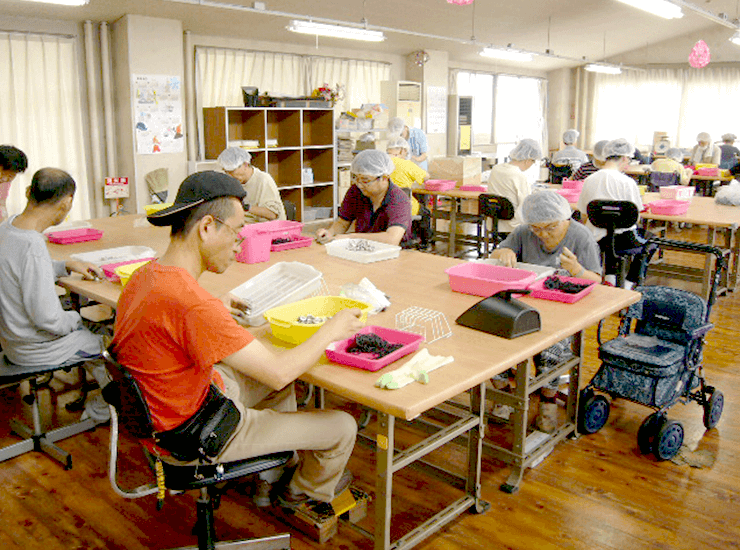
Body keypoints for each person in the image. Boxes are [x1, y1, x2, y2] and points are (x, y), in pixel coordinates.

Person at [110, 171, 364, 509]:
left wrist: (216, 306)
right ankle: (301, 491)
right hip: (192, 436)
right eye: (236, 233)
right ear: (207, 227)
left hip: (165, 415)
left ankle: (271, 474)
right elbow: (278, 371)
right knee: (343, 426)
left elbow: (178, 321)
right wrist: (332, 328)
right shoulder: (193, 305)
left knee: (274, 389)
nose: (238, 244)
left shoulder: (145, 276)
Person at [0, 168, 110, 422]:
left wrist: (65, 265)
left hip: (12, 342)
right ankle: (101, 411)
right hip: (35, 349)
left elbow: (21, 269)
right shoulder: (33, 246)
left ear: (29, 193)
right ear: (66, 203)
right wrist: (76, 320)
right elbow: (48, 320)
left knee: (87, 329)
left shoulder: (7, 229)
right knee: (109, 344)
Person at [577, 138, 651, 289]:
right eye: (629, 160)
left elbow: (584, 214)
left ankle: (611, 276)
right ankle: (630, 281)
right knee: (652, 241)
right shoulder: (628, 182)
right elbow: (634, 217)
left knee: (609, 237)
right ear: (624, 158)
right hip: (624, 240)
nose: (628, 164)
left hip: (595, 239)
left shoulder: (590, 179)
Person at [491, 190, 601, 282]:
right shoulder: (524, 232)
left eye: (551, 227)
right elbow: (493, 257)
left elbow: (596, 280)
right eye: (536, 228)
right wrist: (504, 252)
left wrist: (576, 269)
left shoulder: (581, 236)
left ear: (564, 218)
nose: (543, 234)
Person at [316, 150, 412, 246]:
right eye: (356, 178)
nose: (360, 185)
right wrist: (329, 233)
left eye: (365, 180)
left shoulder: (399, 200)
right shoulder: (356, 191)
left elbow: (391, 239)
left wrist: (351, 237)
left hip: (394, 254)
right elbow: (342, 223)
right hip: (362, 249)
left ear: (384, 178)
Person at [485, 138, 542, 233]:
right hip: (512, 227)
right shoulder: (519, 176)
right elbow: (526, 204)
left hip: (493, 224)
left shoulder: (496, 169)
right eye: (533, 161)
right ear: (528, 160)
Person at [217, 147, 286, 223]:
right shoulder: (232, 181)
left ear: (245, 164)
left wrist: (245, 207)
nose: (229, 175)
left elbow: (272, 214)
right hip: (244, 226)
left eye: (232, 171)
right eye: (226, 171)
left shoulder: (263, 180)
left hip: (267, 228)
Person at [386, 136, 433, 248]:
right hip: (403, 206)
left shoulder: (380, 162)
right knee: (424, 212)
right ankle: (424, 243)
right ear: (402, 150)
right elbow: (426, 177)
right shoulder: (406, 164)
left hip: (381, 206)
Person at [0, 145, 29, 222]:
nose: (5, 179)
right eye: (2, 173)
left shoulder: (4, 183)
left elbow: (2, 205)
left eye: (11, 176)